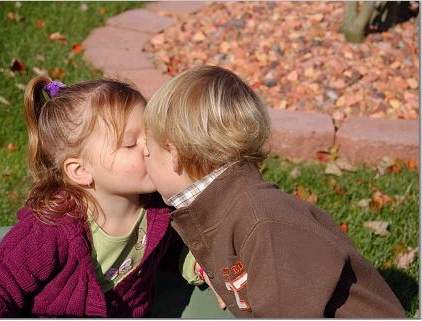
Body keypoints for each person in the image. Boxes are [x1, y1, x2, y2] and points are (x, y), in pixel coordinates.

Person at [142, 65, 407, 317]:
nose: (145, 160)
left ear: (174, 154)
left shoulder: (265, 223)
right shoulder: (220, 206)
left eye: (149, 153)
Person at [0, 76, 178, 317]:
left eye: (149, 134)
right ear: (81, 171)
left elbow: (175, 250)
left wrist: (201, 266)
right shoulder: (52, 228)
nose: (149, 147)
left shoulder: (159, 209)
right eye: (130, 143)